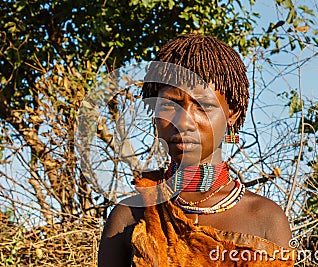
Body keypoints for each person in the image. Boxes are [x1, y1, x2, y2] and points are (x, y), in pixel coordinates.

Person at [98, 34, 295, 266]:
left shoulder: (266, 219)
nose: (183, 122)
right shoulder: (130, 215)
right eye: (169, 106)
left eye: (203, 106)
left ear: (232, 114)